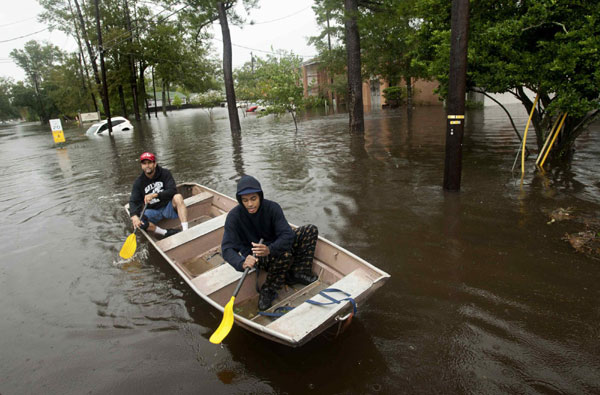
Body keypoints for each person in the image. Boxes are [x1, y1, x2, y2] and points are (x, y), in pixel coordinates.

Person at [221, 175, 318, 311]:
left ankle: (298, 273)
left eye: (253, 199)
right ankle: (268, 290)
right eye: (245, 200)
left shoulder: (272, 208)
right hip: (256, 255)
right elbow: (226, 248)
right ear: (240, 201)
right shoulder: (234, 217)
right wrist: (241, 263)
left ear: (260, 196)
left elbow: (287, 235)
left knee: (310, 230)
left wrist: (270, 249)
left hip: (273, 246)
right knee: (285, 255)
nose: (250, 204)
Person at [129, 152, 188, 239]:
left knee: (178, 197)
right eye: (144, 163)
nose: (147, 166)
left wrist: (154, 195)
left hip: (168, 207)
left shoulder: (165, 173)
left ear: (155, 164)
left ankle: (186, 230)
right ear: (142, 166)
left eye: (149, 163)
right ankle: (165, 232)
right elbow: (133, 201)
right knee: (140, 222)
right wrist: (134, 216)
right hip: (152, 211)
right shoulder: (138, 182)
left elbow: (172, 190)